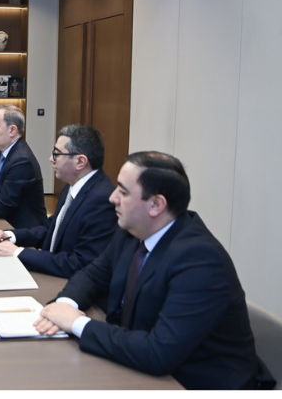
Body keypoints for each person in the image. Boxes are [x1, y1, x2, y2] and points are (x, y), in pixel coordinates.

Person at [35, 151, 276, 390]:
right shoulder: (132, 232)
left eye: (123, 192)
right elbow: (93, 274)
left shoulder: (200, 260)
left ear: (156, 204)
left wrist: (77, 323)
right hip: (142, 368)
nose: (112, 198)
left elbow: (159, 353)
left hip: (196, 383)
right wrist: (64, 306)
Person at [0, 124, 117, 278]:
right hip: (51, 273)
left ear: (80, 161)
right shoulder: (72, 187)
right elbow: (51, 229)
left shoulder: (101, 200)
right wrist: (11, 236)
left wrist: (18, 252)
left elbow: (80, 263)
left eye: (56, 154)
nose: (51, 159)